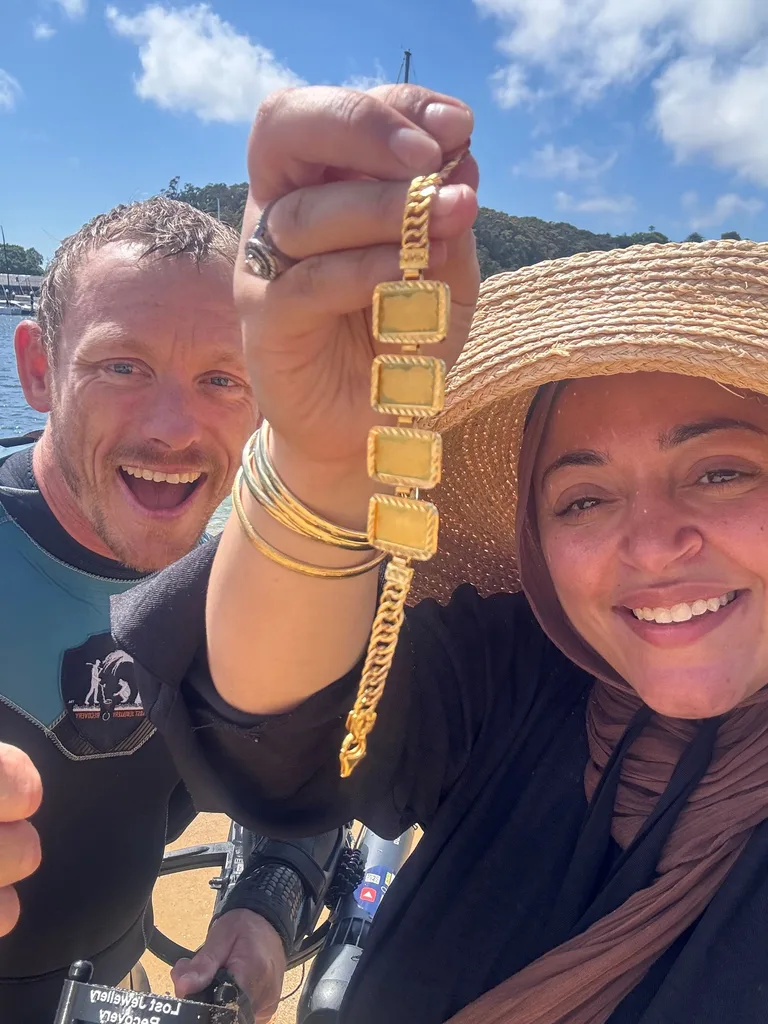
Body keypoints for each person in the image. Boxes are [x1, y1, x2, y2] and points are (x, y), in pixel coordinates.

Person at [107, 84, 768, 1023]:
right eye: (583, 497)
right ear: (535, 541)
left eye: (720, 474)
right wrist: (322, 466)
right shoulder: (524, 673)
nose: (654, 543)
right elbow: (290, 729)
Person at [0, 198, 291, 1023]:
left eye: (222, 378)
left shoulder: (240, 583)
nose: (174, 429)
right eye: (122, 366)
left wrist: (264, 904)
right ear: (39, 371)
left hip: (119, 996)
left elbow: (296, 779)